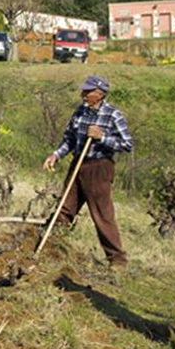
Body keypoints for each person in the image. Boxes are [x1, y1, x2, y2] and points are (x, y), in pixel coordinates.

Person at [42, 74, 134, 267]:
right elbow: (68, 139)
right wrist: (56, 155)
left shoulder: (112, 115)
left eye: (87, 91)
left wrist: (102, 138)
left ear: (99, 94)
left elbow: (127, 145)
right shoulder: (80, 112)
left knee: (102, 215)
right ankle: (51, 245)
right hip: (78, 164)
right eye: (84, 91)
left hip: (99, 168)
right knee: (65, 207)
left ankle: (117, 261)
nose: (83, 94)